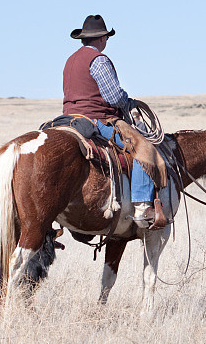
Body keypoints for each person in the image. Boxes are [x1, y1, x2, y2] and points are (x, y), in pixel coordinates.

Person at [63, 14, 164, 229]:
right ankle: (141, 205)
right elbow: (112, 97)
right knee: (141, 147)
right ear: (101, 39)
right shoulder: (99, 60)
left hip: (67, 119)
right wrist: (127, 100)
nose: (106, 41)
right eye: (106, 37)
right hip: (94, 119)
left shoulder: (70, 60)